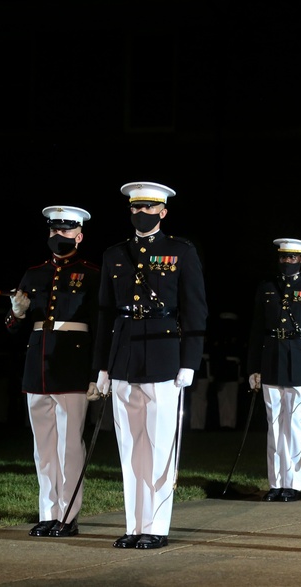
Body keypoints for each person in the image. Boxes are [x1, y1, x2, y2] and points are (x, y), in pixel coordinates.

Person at [90, 181, 208, 550]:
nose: (141, 214)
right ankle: (134, 524)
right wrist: (102, 367)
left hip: (163, 356)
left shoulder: (180, 251)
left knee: (158, 447)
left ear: (163, 212)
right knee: (129, 448)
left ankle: (156, 526)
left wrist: (190, 360)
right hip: (124, 356)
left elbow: (195, 309)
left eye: (149, 208)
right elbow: (105, 314)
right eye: (135, 208)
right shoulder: (115, 253)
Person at [5, 205, 100, 538]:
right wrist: (16, 313)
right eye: (53, 230)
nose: (59, 236)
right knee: (43, 446)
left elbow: (100, 327)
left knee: (69, 445)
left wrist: (96, 373)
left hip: (71, 367)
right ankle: (48, 512)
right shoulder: (33, 274)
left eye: (66, 230)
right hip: (38, 366)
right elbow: (13, 326)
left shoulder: (91, 273)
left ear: (79, 235)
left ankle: (68, 514)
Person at [247, 238, 301, 502]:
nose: (287, 262)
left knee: (293, 424)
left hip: (299, 360)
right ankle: (275, 482)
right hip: (271, 358)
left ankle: (293, 482)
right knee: (273, 424)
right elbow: (257, 329)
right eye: (283, 258)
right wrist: (254, 367)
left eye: (293, 258)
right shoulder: (267, 287)